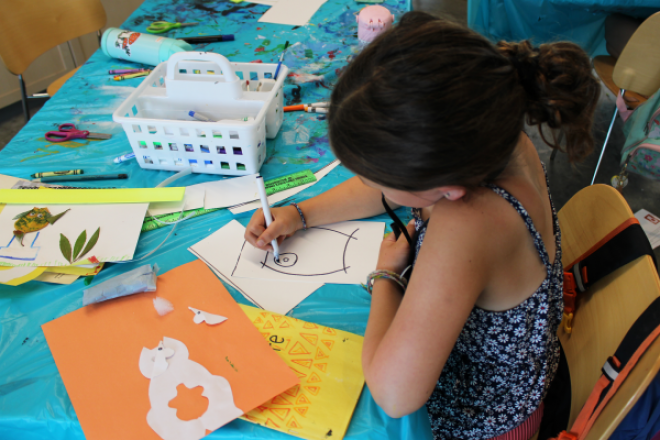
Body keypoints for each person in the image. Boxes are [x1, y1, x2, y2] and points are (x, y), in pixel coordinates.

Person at [245, 11, 600, 440]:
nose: (370, 185)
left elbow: (395, 395)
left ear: (445, 189)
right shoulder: (491, 139)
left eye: (379, 178)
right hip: (522, 380)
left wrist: (387, 277)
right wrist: (301, 213)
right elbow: (397, 185)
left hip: (486, 423)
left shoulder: (468, 223)